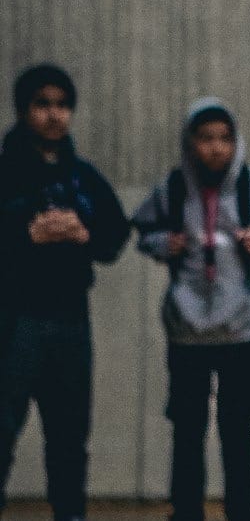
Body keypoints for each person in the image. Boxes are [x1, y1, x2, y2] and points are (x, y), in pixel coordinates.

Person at [130, 100, 250, 521]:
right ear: (190, 142)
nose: (216, 148)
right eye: (206, 138)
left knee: (238, 429)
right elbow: (142, 229)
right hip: (186, 331)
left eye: (225, 138)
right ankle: (186, 511)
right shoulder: (171, 188)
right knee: (187, 429)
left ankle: (242, 511)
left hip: (242, 329)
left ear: (236, 141)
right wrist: (161, 245)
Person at [0, 64, 129, 521]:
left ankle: (70, 514)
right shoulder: (6, 169)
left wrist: (84, 233)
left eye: (62, 105)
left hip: (71, 320)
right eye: (43, 104)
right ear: (22, 110)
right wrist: (24, 233)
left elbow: (116, 236)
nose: (54, 115)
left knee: (70, 436)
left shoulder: (84, 175)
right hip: (15, 321)